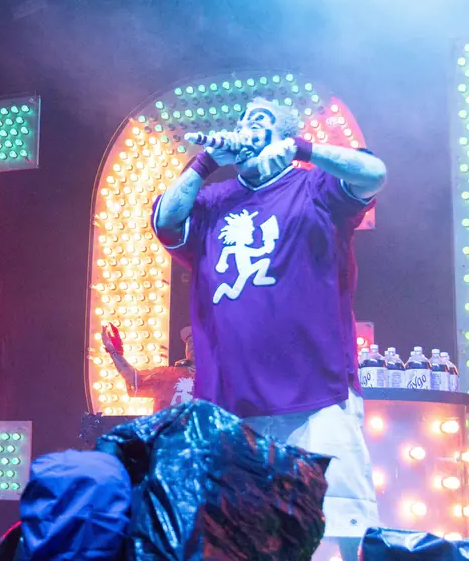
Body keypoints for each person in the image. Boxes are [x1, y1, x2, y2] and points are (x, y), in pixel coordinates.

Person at [151, 98, 387, 560]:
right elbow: (166, 220)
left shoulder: (315, 186)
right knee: (239, 540)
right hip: (232, 403)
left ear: (283, 133)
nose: (246, 127)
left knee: (331, 537)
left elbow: (373, 175)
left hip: (317, 397)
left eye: (261, 120)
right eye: (242, 121)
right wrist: (205, 162)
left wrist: (302, 148)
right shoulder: (214, 201)